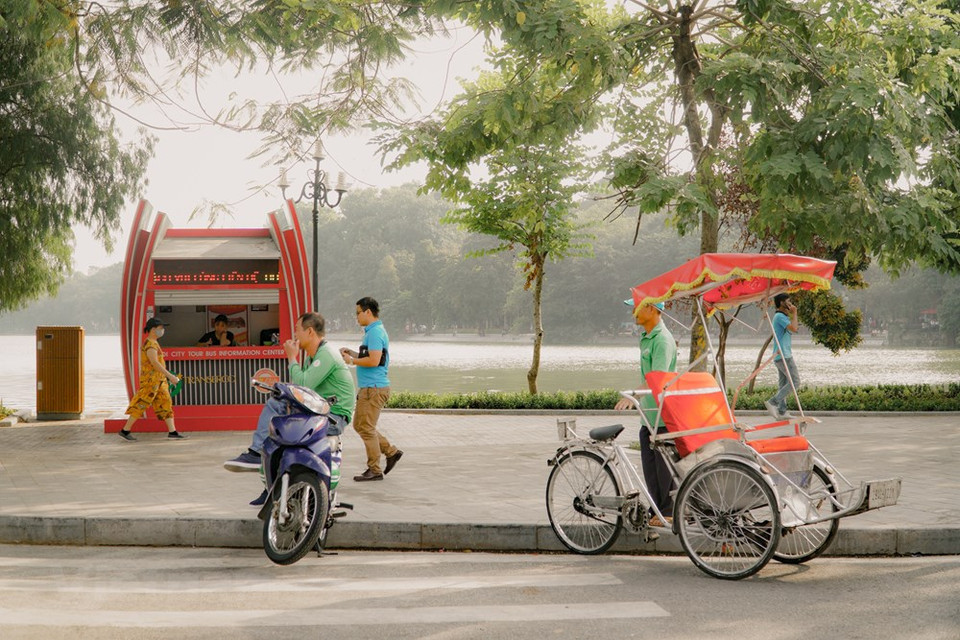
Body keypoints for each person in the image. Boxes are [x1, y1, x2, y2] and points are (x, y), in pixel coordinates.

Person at [223, 312, 356, 505]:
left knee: (276, 406)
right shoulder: (313, 356)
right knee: (280, 430)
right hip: (320, 413)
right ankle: (272, 489)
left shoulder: (326, 355)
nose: (294, 335)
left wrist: (292, 357)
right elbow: (301, 388)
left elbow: (304, 382)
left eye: (297, 330)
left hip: (334, 418)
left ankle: (255, 454)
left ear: (310, 332)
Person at [614, 300, 677, 528]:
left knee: (663, 470)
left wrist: (633, 396)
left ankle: (668, 513)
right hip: (649, 416)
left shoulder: (662, 339)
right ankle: (657, 511)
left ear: (652, 309)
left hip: (662, 416)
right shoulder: (647, 337)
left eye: (638, 307)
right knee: (651, 471)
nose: (633, 312)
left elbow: (658, 378)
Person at [340, 297, 403, 482]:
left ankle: (374, 469)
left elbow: (374, 361)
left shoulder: (375, 333)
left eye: (358, 313)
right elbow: (372, 357)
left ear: (368, 312)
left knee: (366, 427)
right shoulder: (372, 332)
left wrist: (351, 361)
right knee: (361, 425)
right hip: (370, 388)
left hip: (374, 389)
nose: (356, 317)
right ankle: (391, 452)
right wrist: (353, 353)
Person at [118, 317, 186, 441]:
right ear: (153, 329)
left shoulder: (154, 343)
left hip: (159, 381)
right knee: (141, 403)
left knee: (165, 403)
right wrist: (170, 376)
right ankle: (125, 430)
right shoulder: (150, 344)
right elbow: (155, 363)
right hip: (151, 381)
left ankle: (173, 432)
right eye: (161, 328)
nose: (163, 330)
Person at [765, 293, 800, 420]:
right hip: (784, 356)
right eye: (788, 301)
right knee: (795, 382)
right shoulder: (780, 316)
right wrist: (795, 313)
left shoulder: (781, 317)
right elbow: (794, 328)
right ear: (781, 303)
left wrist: (792, 314)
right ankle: (773, 402)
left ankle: (782, 411)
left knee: (783, 384)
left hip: (781, 355)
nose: (790, 304)